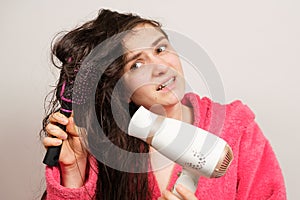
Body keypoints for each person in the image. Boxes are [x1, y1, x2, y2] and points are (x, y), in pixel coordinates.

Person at [41, 9, 286, 200]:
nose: (160, 67)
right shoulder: (103, 146)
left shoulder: (237, 129)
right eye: (136, 64)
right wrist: (72, 170)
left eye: (160, 48)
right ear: (121, 89)